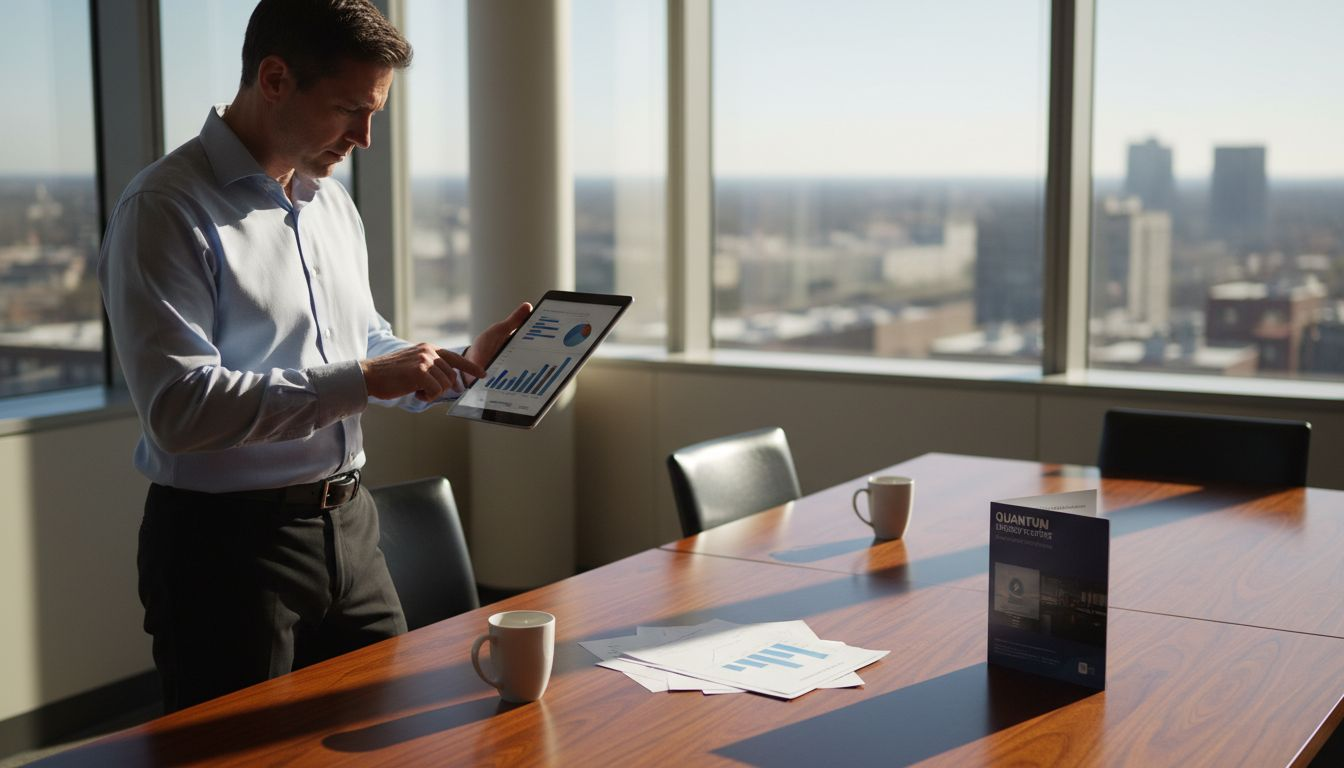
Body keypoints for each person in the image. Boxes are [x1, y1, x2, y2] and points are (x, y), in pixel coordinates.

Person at [97, 0, 528, 712]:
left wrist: (454, 365)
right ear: (273, 78)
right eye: (348, 110)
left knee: (394, 733)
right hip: (226, 549)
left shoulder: (330, 204)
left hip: (352, 528)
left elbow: (362, 344)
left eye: (374, 114)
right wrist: (361, 379)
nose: (363, 138)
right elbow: (179, 410)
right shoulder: (166, 209)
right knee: (241, 759)